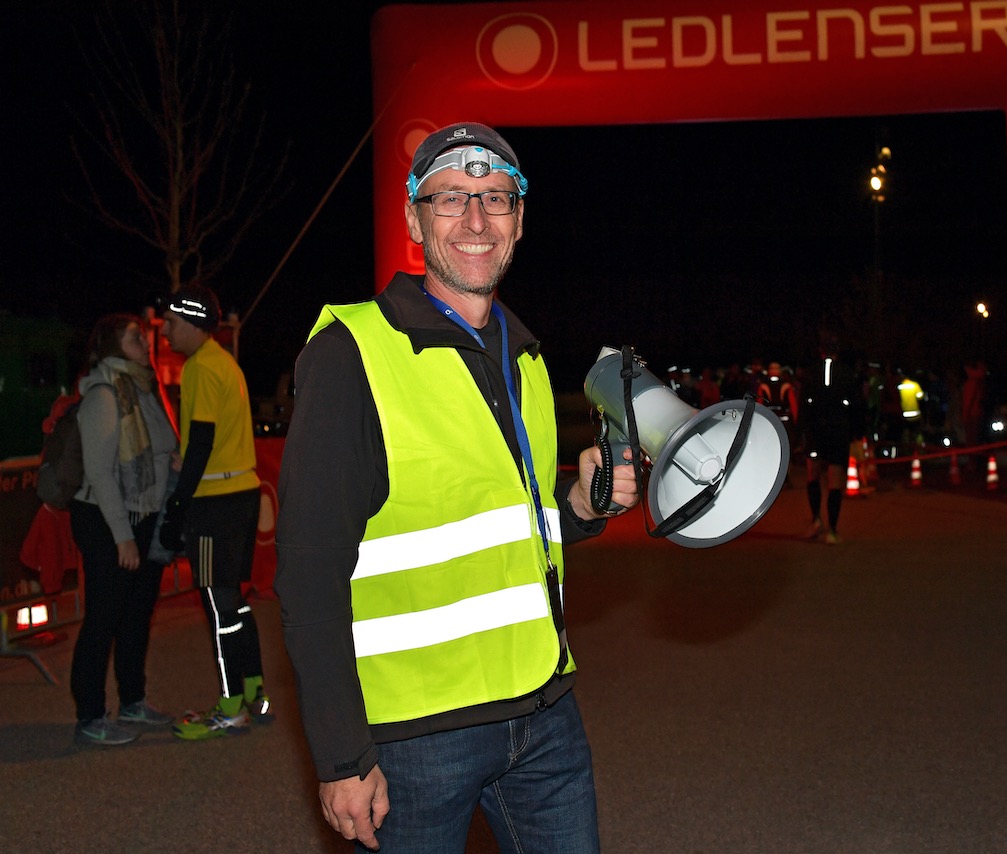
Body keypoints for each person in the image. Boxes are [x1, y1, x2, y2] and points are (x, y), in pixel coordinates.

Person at [274, 122, 641, 853]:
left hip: (544, 716)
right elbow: (308, 572)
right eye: (451, 199)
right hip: (417, 741)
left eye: (496, 199)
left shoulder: (527, 359)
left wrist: (576, 503)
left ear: (520, 220)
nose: (476, 220)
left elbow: (507, 522)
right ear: (414, 219)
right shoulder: (353, 354)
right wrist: (343, 756)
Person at [157, 285, 272, 739]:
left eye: (170, 322)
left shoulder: (200, 366)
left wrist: (177, 507)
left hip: (214, 502)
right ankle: (255, 693)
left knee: (217, 603)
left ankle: (230, 708)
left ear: (192, 323)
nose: (164, 330)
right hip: (241, 491)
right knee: (236, 601)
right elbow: (211, 439)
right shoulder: (225, 361)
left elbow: (202, 439)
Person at [68, 313, 178, 746]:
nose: (145, 342)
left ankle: (133, 700)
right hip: (106, 518)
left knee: (135, 616)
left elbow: (162, 443)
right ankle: (89, 715)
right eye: (135, 337)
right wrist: (122, 535)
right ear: (112, 343)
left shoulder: (143, 385)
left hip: (144, 515)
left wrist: (170, 463)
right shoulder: (104, 391)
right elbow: (99, 472)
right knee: (103, 617)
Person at [800, 333, 866, 545]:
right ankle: (832, 530)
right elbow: (857, 405)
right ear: (838, 351)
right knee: (835, 479)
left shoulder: (811, 372)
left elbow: (803, 405)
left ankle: (816, 520)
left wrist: (802, 431)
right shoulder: (847, 373)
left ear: (820, 350)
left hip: (815, 431)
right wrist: (858, 432)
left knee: (813, 475)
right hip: (838, 431)